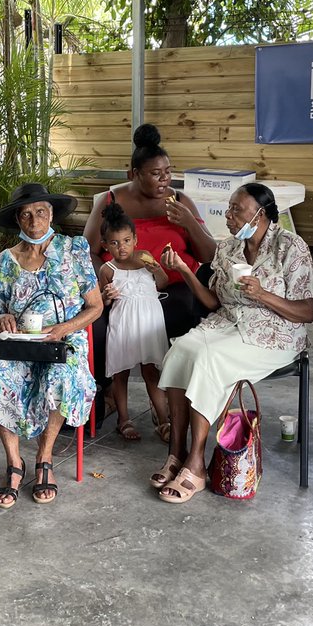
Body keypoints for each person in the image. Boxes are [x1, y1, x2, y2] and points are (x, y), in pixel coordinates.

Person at [155, 183, 313, 504]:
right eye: (228, 208)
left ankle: (196, 463)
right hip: (228, 324)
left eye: (236, 209)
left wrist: (263, 294)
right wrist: (186, 271)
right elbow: (214, 303)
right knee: (180, 351)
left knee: (207, 359)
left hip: (275, 333)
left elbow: (306, 312)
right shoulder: (228, 249)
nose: (228, 215)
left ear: (260, 214)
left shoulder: (290, 247)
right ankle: (176, 451)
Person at [84, 123, 216, 440]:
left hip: (173, 286)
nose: (164, 179)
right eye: (156, 173)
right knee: (97, 327)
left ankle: (175, 404)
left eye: (168, 172)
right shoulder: (111, 201)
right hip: (121, 289)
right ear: (134, 173)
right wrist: (109, 280)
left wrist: (189, 222)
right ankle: (105, 399)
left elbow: (209, 253)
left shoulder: (180, 201)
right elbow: (87, 251)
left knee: (180, 320)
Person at [0, 183, 104, 508]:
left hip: (64, 340)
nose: (34, 220)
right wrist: (3, 319)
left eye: (40, 212)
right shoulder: (3, 263)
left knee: (61, 376)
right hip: (21, 344)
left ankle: (44, 456)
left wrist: (64, 328)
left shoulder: (74, 250)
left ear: (51, 214)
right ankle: (13, 463)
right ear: (18, 221)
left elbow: (95, 306)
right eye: (25, 215)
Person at [99, 201, 169, 441]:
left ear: (135, 240)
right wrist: (106, 297)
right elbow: (103, 303)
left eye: (127, 241)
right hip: (124, 323)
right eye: (115, 243)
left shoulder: (145, 261)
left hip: (150, 323)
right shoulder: (107, 270)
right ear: (105, 245)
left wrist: (156, 268)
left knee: (151, 371)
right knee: (121, 373)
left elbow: (163, 283)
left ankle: (163, 419)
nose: (122, 247)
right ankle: (123, 419)